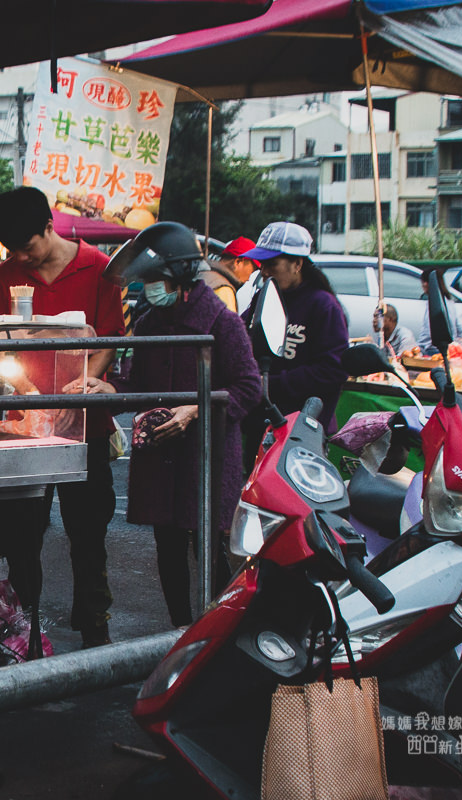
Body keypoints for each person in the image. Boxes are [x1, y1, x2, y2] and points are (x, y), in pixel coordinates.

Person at [94, 222, 262, 627]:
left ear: (182, 276)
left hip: (206, 455)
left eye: (156, 280)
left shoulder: (223, 323)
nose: (151, 288)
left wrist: (195, 408)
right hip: (160, 456)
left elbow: (248, 387)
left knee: (209, 548)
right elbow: (139, 382)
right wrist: (106, 386)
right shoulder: (150, 323)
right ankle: (178, 631)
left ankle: (218, 630)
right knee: (167, 548)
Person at [0, 186, 125, 648]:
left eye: (27, 246)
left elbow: (110, 338)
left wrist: (78, 393)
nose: (21, 257)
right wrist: (33, 395)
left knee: (88, 532)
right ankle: (26, 629)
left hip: (87, 426)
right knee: (23, 534)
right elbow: (3, 345)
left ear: (49, 226)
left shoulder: (101, 268)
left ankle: (94, 627)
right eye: (12, 250)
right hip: (28, 425)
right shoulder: (5, 276)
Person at [240, 221, 348, 457]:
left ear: (297, 264)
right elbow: (239, 336)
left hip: (302, 430)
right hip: (261, 424)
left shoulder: (323, 306)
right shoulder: (263, 297)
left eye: (272, 264)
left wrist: (271, 384)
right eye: (262, 265)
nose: (265, 272)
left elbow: (333, 370)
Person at [204, 235, 259, 313]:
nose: (248, 279)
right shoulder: (224, 290)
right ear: (238, 262)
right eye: (251, 272)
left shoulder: (204, 274)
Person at [417, 270, 462, 354]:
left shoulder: (435, 304)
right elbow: (459, 329)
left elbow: (428, 332)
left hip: (433, 349)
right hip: (449, 348)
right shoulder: (449, 302)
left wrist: (419, 346)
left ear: (426, 283)